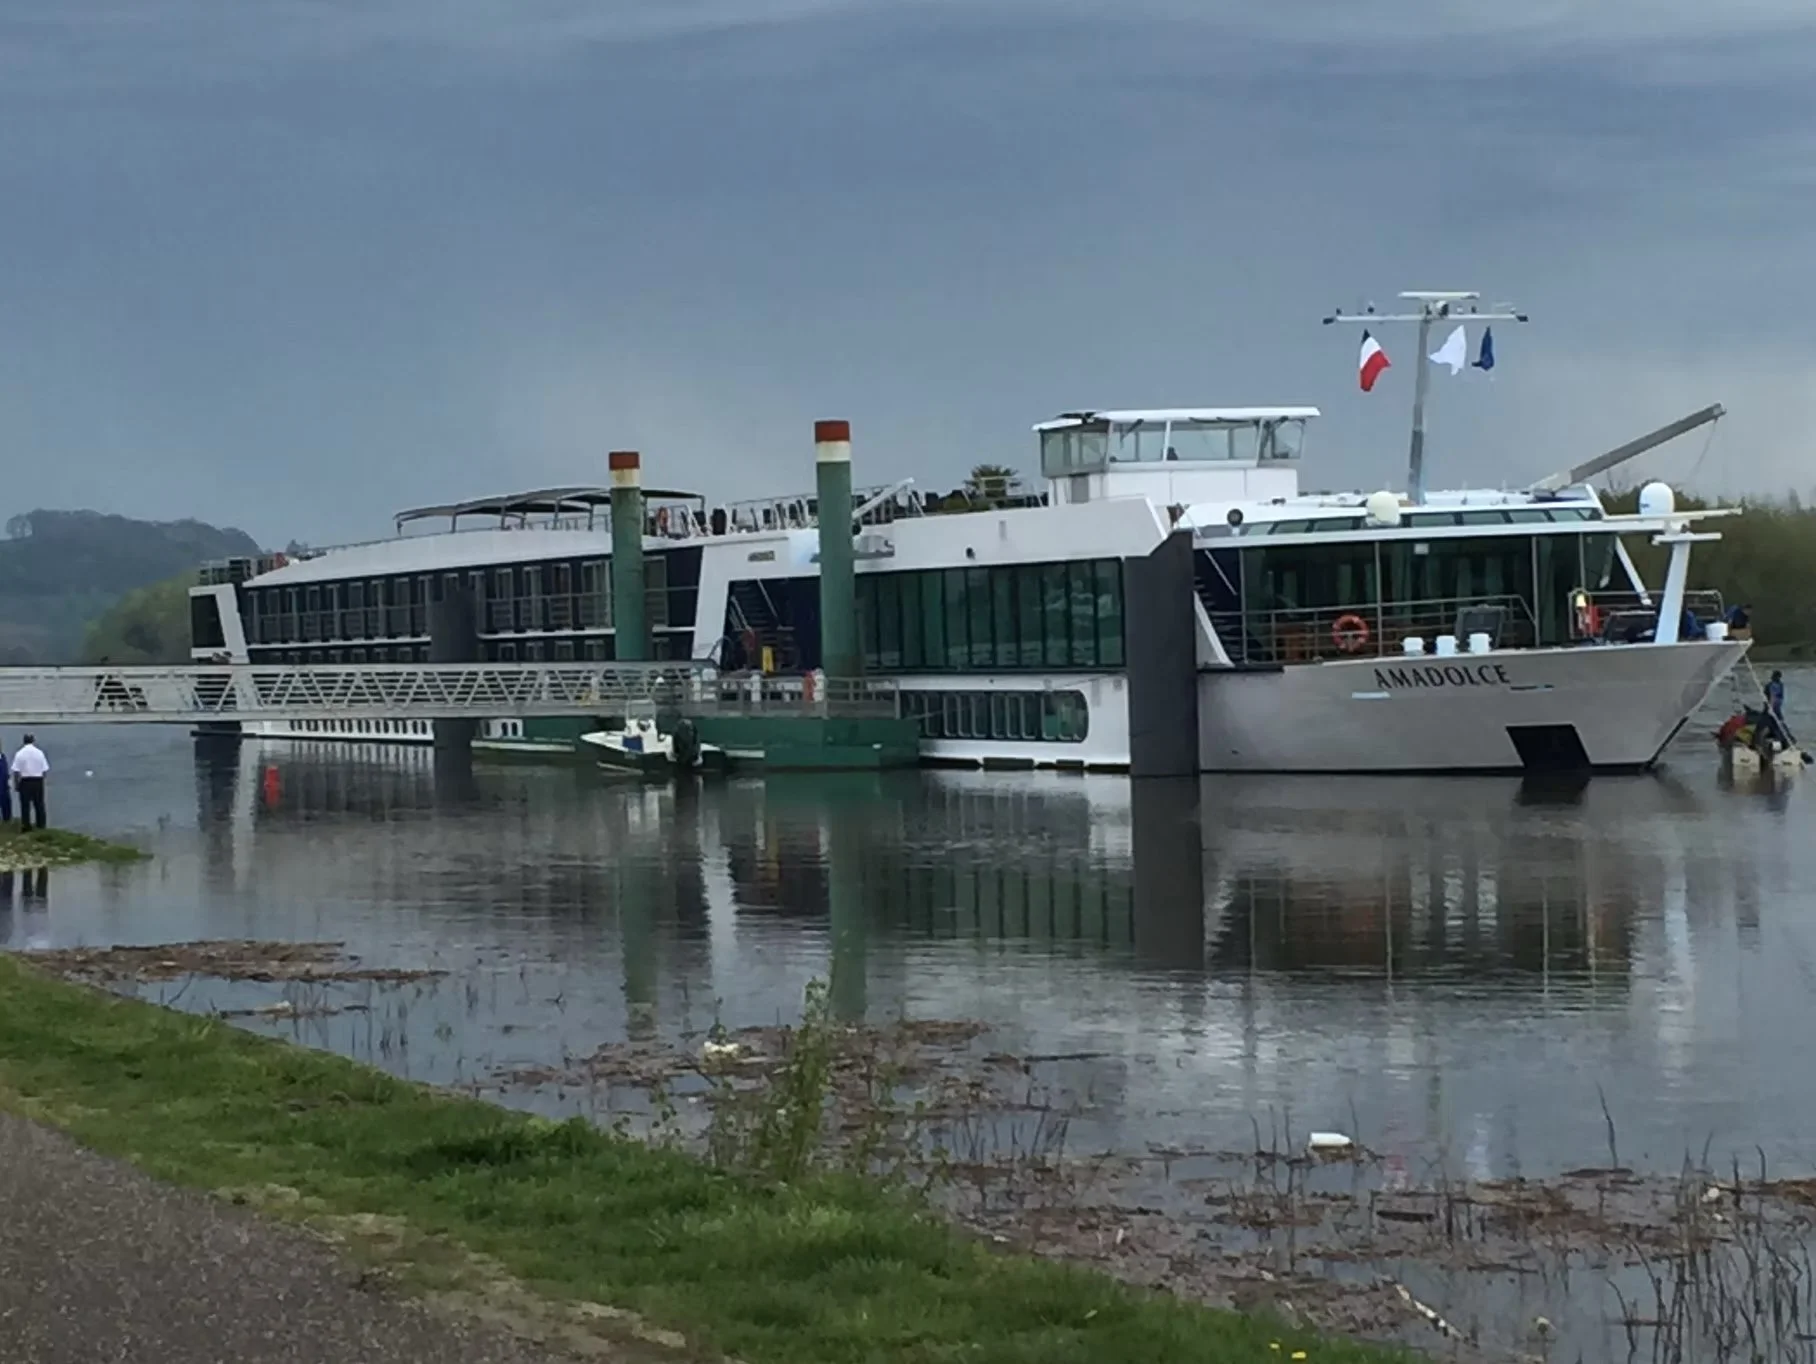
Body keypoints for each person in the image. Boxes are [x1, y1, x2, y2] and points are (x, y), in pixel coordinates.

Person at [11, 733, 48, 832]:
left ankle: (26, 826)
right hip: (38, 780)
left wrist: (16, 784)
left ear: (24, 741)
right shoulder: (40, 753)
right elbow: (44, 770)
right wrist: (42, 781)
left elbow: (16, 771)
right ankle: (41, 825)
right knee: (39, 804)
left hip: (25, 781)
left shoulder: (20, 753)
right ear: (33, 740)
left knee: (25, 805)